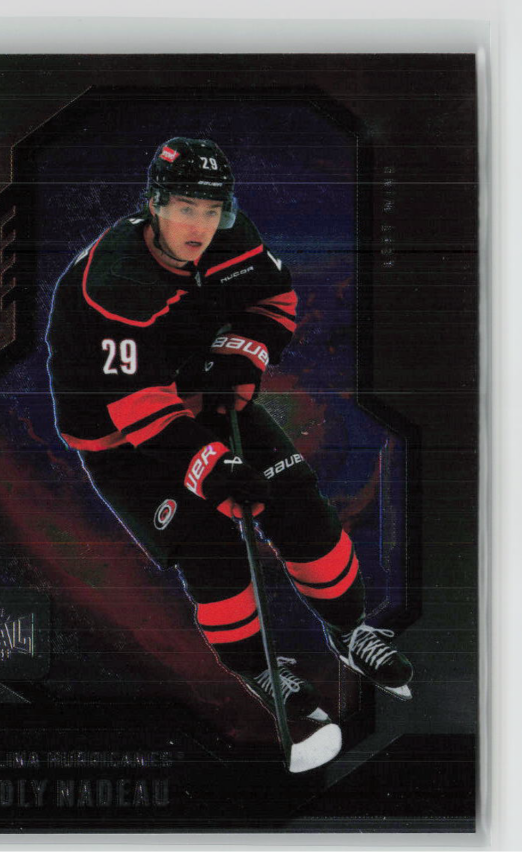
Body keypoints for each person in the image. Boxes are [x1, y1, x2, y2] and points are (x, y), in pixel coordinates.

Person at [46, 137, 413, 772]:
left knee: (299, 507)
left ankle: (349, 629)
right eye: (185, 208)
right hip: (119, 435)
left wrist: (239, 358)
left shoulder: (233, 237)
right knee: (212, 550)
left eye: (212, 210)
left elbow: (274, 300)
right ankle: (259, 669)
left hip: (197, 392)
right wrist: (211, 469)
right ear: (155, 204)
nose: (200, 226)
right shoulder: (114, 279)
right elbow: (134, 406)